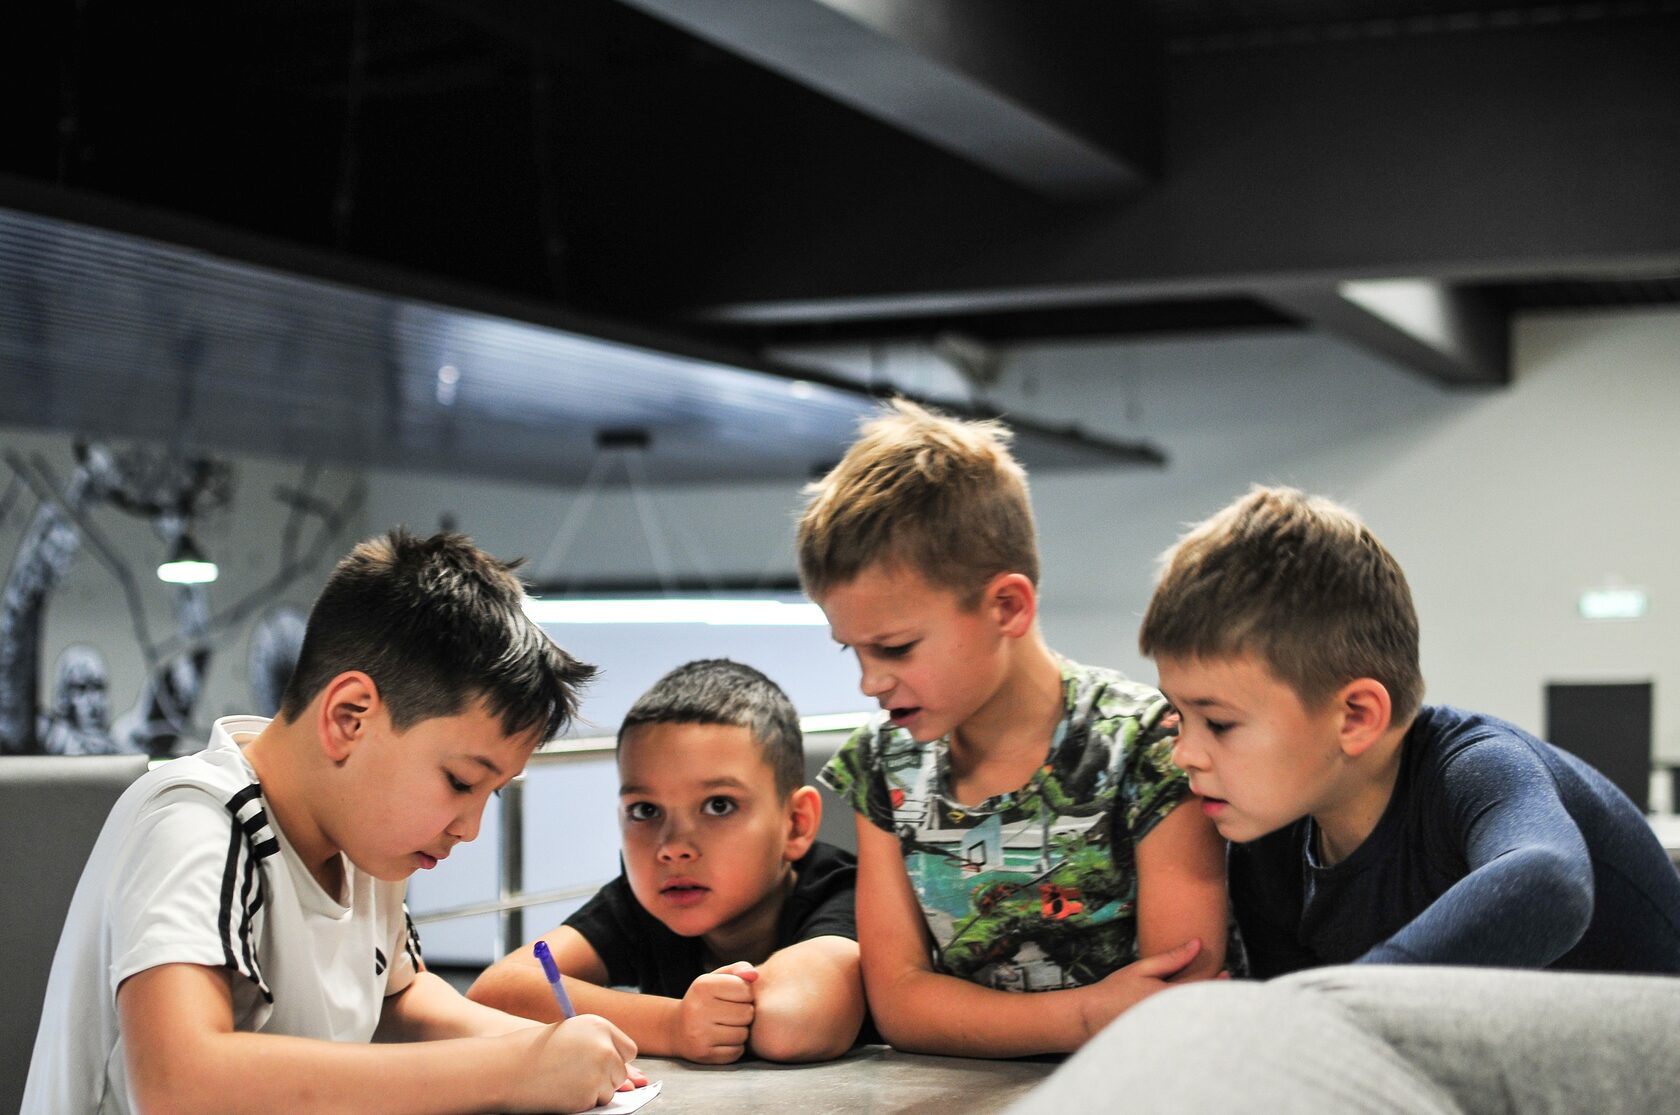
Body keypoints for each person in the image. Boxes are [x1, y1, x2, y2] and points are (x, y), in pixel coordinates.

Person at [23, 529, 644, 1115]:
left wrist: (547, 1047)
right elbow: (179, 1083)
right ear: (350, 718)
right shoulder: (196, 822)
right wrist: (512, 1070)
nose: (470, 828)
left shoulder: (362, 841)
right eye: (460, 782)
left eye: (492, 794)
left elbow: (399, 998)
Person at [798, 399, 1229, 1059]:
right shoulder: (884, 766)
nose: (870, 682)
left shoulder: (1149, 746)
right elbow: (900, 1004)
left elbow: (1178, 997)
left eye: (896, 648)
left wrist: (979, 1017)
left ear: (1007, 606)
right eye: (852, 651)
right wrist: (1086, 1014)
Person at [1137, 485, 1680, 974]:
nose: (1184, 754)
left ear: (1356, 717)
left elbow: (1552, 885)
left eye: (1219, 723)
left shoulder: (1475, 767)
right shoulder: (1268, 848)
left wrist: (1356, 991)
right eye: (1178, 716)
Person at [468, 658, 868, 1064]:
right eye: (645, 810)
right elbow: (495, 991)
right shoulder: (641, 905)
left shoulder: (847, 894)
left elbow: (792, 1023)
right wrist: (672, 1026)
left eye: (719, 805)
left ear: (796, 824)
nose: (673, 847)